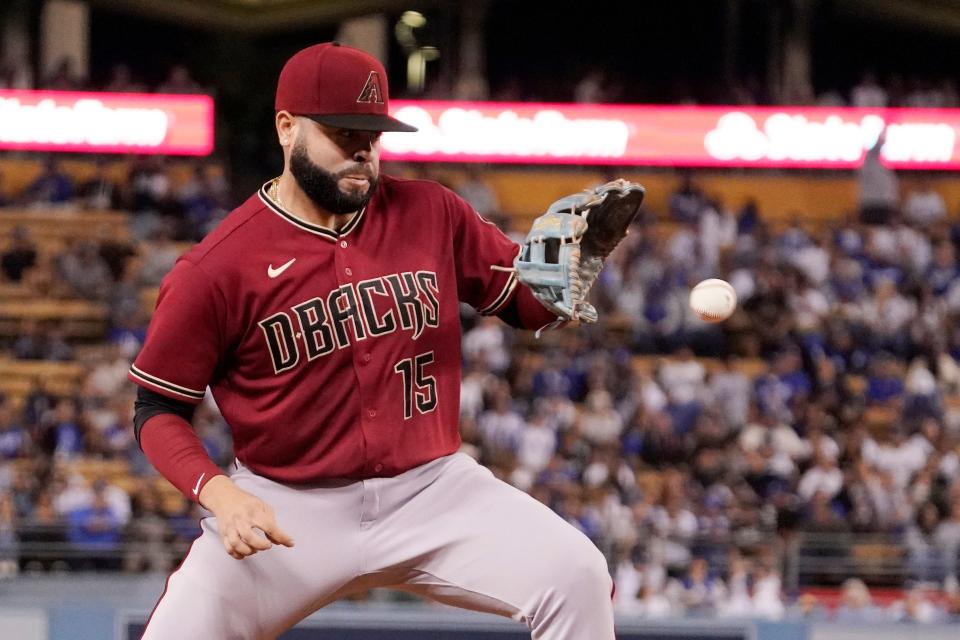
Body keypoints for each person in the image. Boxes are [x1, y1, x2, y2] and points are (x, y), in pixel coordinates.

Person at [130, 42, 616, 639]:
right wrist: (221, 495)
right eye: (343, 133)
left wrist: (566, 271)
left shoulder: (431, 212)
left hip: (432, 492)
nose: (363, 150)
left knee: (577, 576)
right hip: (287, 507)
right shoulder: (216, 269)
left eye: (373, 135)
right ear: (286, 129)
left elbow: (522, 301)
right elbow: (156, 408)